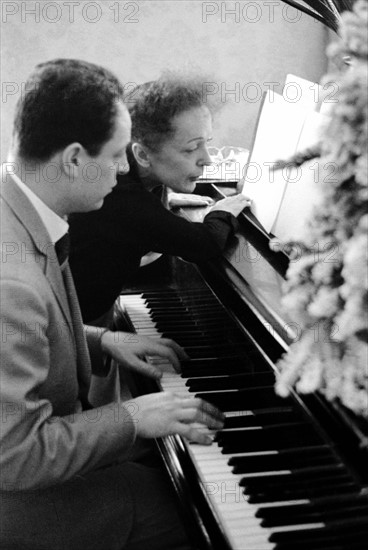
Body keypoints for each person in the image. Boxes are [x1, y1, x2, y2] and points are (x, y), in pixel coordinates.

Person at [0, 59, 225, 550]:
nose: (126, 169)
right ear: (75, 158)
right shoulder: (10, 284)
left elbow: (26, 334)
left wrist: (103, 339)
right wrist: (133, 417)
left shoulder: (20, 211)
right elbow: (14, 456)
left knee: (165, 464)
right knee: (197, 510)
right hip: (13, 502)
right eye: (120, 154)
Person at [69, 76, 250, 324]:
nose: (207, 159)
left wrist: (163, 204)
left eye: (207, 143)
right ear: (142, 154)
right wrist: (222, 212)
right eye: (191, 148)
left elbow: (137, 216)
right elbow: (204, 244)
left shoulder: (125, 181)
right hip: (75, 330)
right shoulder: (124, 199)